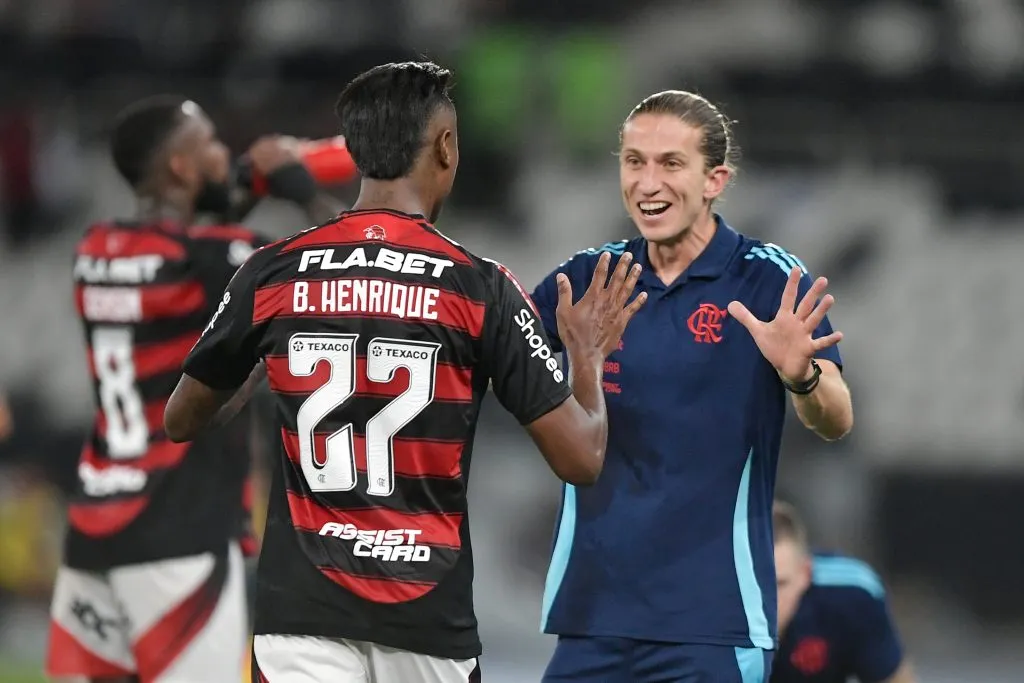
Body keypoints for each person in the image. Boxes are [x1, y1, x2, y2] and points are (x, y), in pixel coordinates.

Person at [163, 60, 646, 683]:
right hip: (427, 627)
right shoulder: (481, 288)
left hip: (298, 620)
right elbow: (581, 458)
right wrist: (588, 355)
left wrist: (266, 363)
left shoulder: (272, 272)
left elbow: (182, 418)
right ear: (445, 147)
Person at [531, 90, 855, 683]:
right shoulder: (587, 279)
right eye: (634, 161)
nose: (647, 182)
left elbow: (836, 417)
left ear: (715, 180)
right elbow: (500, 371)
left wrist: (801, 376)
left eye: (670, 163)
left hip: (713, 623)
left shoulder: (766, 280)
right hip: (593, 616)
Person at [46, 95, 341, 683]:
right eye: (209, 143)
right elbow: (357, 263)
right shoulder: (215, 256)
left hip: (94, 531)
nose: (223, 153)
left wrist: (243, 189)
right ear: (181, 167)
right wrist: (298, 187)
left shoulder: (95, 249)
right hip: (182, 535)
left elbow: (191, 248)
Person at [771, 501, 916, 683]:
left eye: (779, 584)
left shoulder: (852, 596)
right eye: (753, 586)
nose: (765, 602)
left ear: (805, 574)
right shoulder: (723, 603)